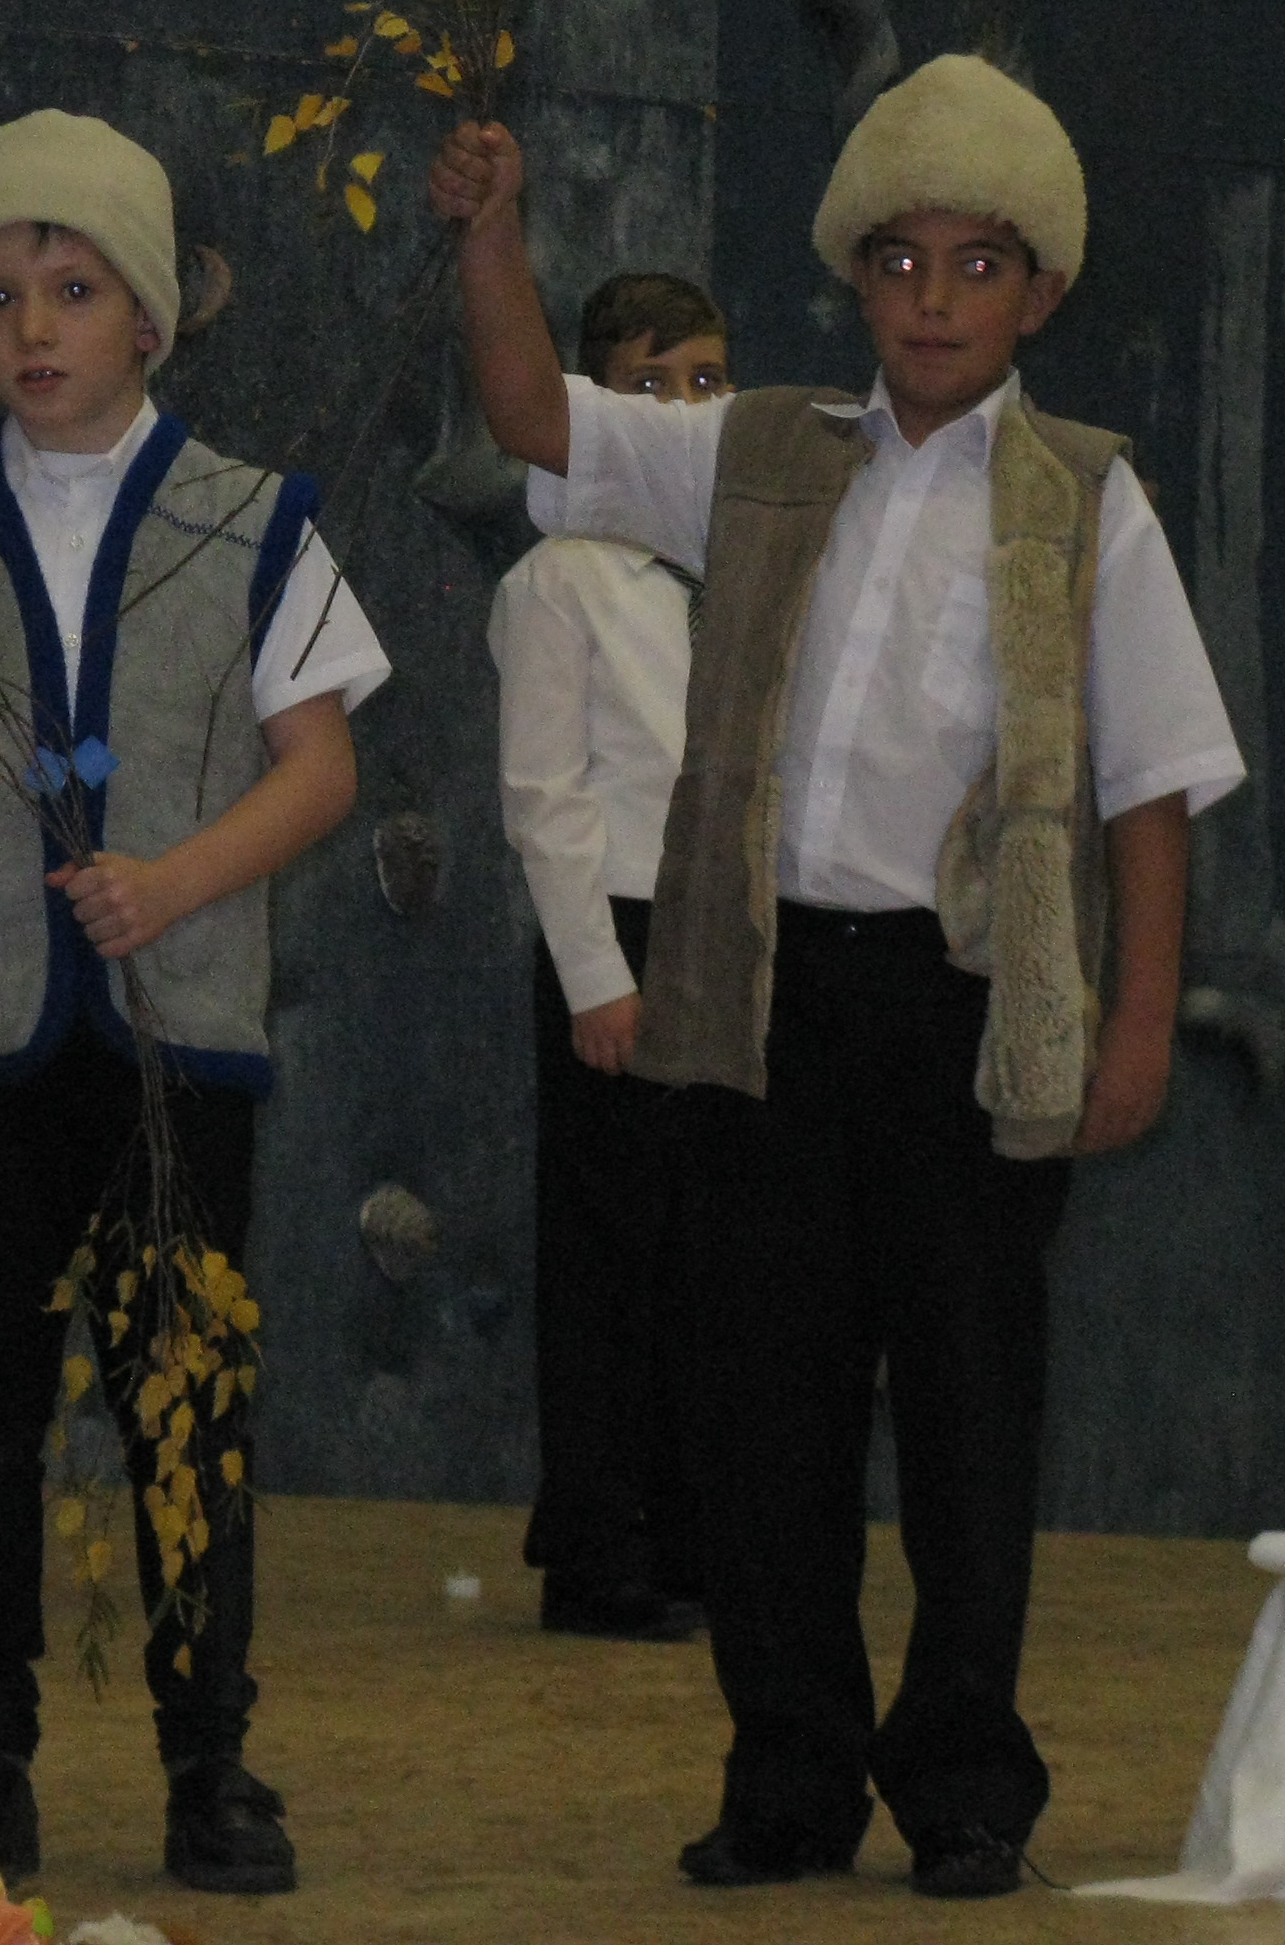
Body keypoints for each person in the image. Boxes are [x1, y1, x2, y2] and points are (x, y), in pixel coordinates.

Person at [432, 53, 1246, 1901]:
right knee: (761, 1409)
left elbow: (1152, 785)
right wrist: (493, 238)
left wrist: (1132, 1027)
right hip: (769, 997)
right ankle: (787, 1772)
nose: (932, 300)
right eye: (898, 262)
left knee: (966, 1407)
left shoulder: (1086, 499)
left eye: (977, 266)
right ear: (853, 277)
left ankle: (962, 1781)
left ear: (1040, 289)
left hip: (965, 1009)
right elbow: (532, 415)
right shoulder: (759, 450)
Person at [0, 109, 390, 1897]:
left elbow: (319, 768)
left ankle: (209, 1758)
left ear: (149, 315)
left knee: (184, 1402)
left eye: (71, 292)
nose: (32, 330)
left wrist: (176, 882)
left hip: (173, 1044)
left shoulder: (248, 518)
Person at [488, 273, 729, 1646]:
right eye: (649, 387)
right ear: (589, 405)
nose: (683, 412)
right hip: (620, 935)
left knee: (709, 1257)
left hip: (724, 937)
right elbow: (547, 798)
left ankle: (689, 1526)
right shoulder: (560, 581)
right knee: (609, 1258)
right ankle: (594, 1545)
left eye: (706, 382)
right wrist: (596, 977)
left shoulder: (743, 575)